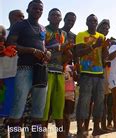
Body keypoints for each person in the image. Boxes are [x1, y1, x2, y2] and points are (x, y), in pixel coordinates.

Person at [6, 0, 51, 138]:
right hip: (23, 69)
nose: (38, 11)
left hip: (41, 70)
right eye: (34, 8)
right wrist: (31, 51)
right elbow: (11, 44)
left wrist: (47, 53)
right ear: (28, 10)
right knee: (17, 108)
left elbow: (42, 46)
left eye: (40, 9)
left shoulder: (43, 28)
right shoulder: (19, 25)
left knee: (38, 109)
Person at [75, 14, 108, 137]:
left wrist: (106, 49)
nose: (93, 23)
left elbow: (104, 55)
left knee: (99, 102)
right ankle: (80, 130)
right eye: (91, 21)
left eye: (95, 21)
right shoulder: (81, 35)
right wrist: (94, 45)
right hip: (86, 73)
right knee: (84, 102)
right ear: (86, 22)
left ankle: (96, 128)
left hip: (99, 73)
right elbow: (78, 53)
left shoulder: (102, 36)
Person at [42, 8, 68, 137]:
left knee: (59, 109)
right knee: (44, 109)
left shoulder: (63, 33)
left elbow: (65, 54)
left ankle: (60, 135)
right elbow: (41, 48)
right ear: (48, 18)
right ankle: (43, 134)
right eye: (52, 15)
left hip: (59, 72)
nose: (55, 17)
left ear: (60, 19)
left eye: (58, 15)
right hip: (46, 71)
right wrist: (58, 47)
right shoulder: (44, 30)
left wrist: (68, 51)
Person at [0, 10, 24, 137]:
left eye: (23, 17)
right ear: (10, 17)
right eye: (18, 16)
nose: (21, 19)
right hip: (4, 79)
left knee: (17, 114)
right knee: (3, 114)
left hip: (21, 78)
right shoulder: (4, 33)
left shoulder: (26, 37)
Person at [97, 19, 113, 131]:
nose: (105, 30)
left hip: (105, 72)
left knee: (105, 100)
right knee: (98, 100)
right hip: (94, 71)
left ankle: (103, 125)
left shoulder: (107, 41)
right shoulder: (96, 38)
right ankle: (96, 126)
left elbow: (106, 58)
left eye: (107, 28)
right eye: (103, 27)